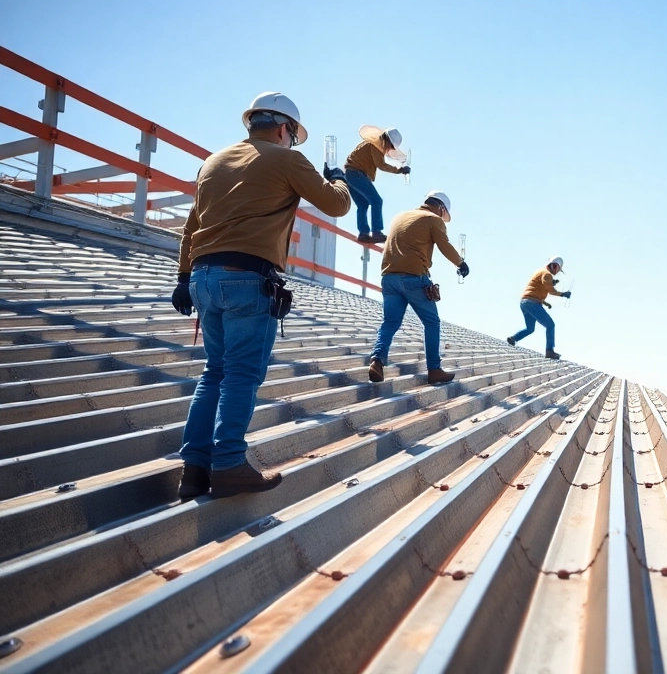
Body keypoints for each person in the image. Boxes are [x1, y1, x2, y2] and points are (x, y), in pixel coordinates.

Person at [171, 92, 351, 499]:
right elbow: (336, 204)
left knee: (213, 372)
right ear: (284, 128)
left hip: (202, 278)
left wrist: (183, 278)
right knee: (240, 374)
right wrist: (338, 177)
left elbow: (190, 226)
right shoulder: (287, 160)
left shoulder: (213, 162)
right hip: (247, 279)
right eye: (292, 136)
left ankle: (194, 469)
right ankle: (230, 463)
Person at [368, 191, 469, 384]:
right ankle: (434, 369)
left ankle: (377, 361)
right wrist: (460, 263)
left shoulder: (399, 216)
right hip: (414, 278)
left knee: (390, 323)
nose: (443, 218)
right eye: (444, 215)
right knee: (432, 322)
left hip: (388, 278)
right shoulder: (433, 219)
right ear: (441, 208)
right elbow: (444, 245)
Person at [344, 124, 409, 244]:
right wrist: (399, 170)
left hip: (349, 175)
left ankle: (363, 233)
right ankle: (376, 232)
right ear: (388, 141)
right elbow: (381, 165)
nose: (389, 149)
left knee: (363, 205)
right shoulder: (376, 146)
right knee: (376, 201)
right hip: (357, 174)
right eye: (390, 146)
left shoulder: (371, 144)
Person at [506, 257, 571, 360]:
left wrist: (545, 303)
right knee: (550, 325)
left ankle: (513, 338)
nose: (557, 272)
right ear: (554, 266)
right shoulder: (547, 274)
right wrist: (563, 294)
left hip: (524, 302)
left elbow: (536, 290)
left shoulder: (540, 272)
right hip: (532, 303)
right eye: (558, 269)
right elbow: (551, 290)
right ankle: (549, 351)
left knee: (530, 329)